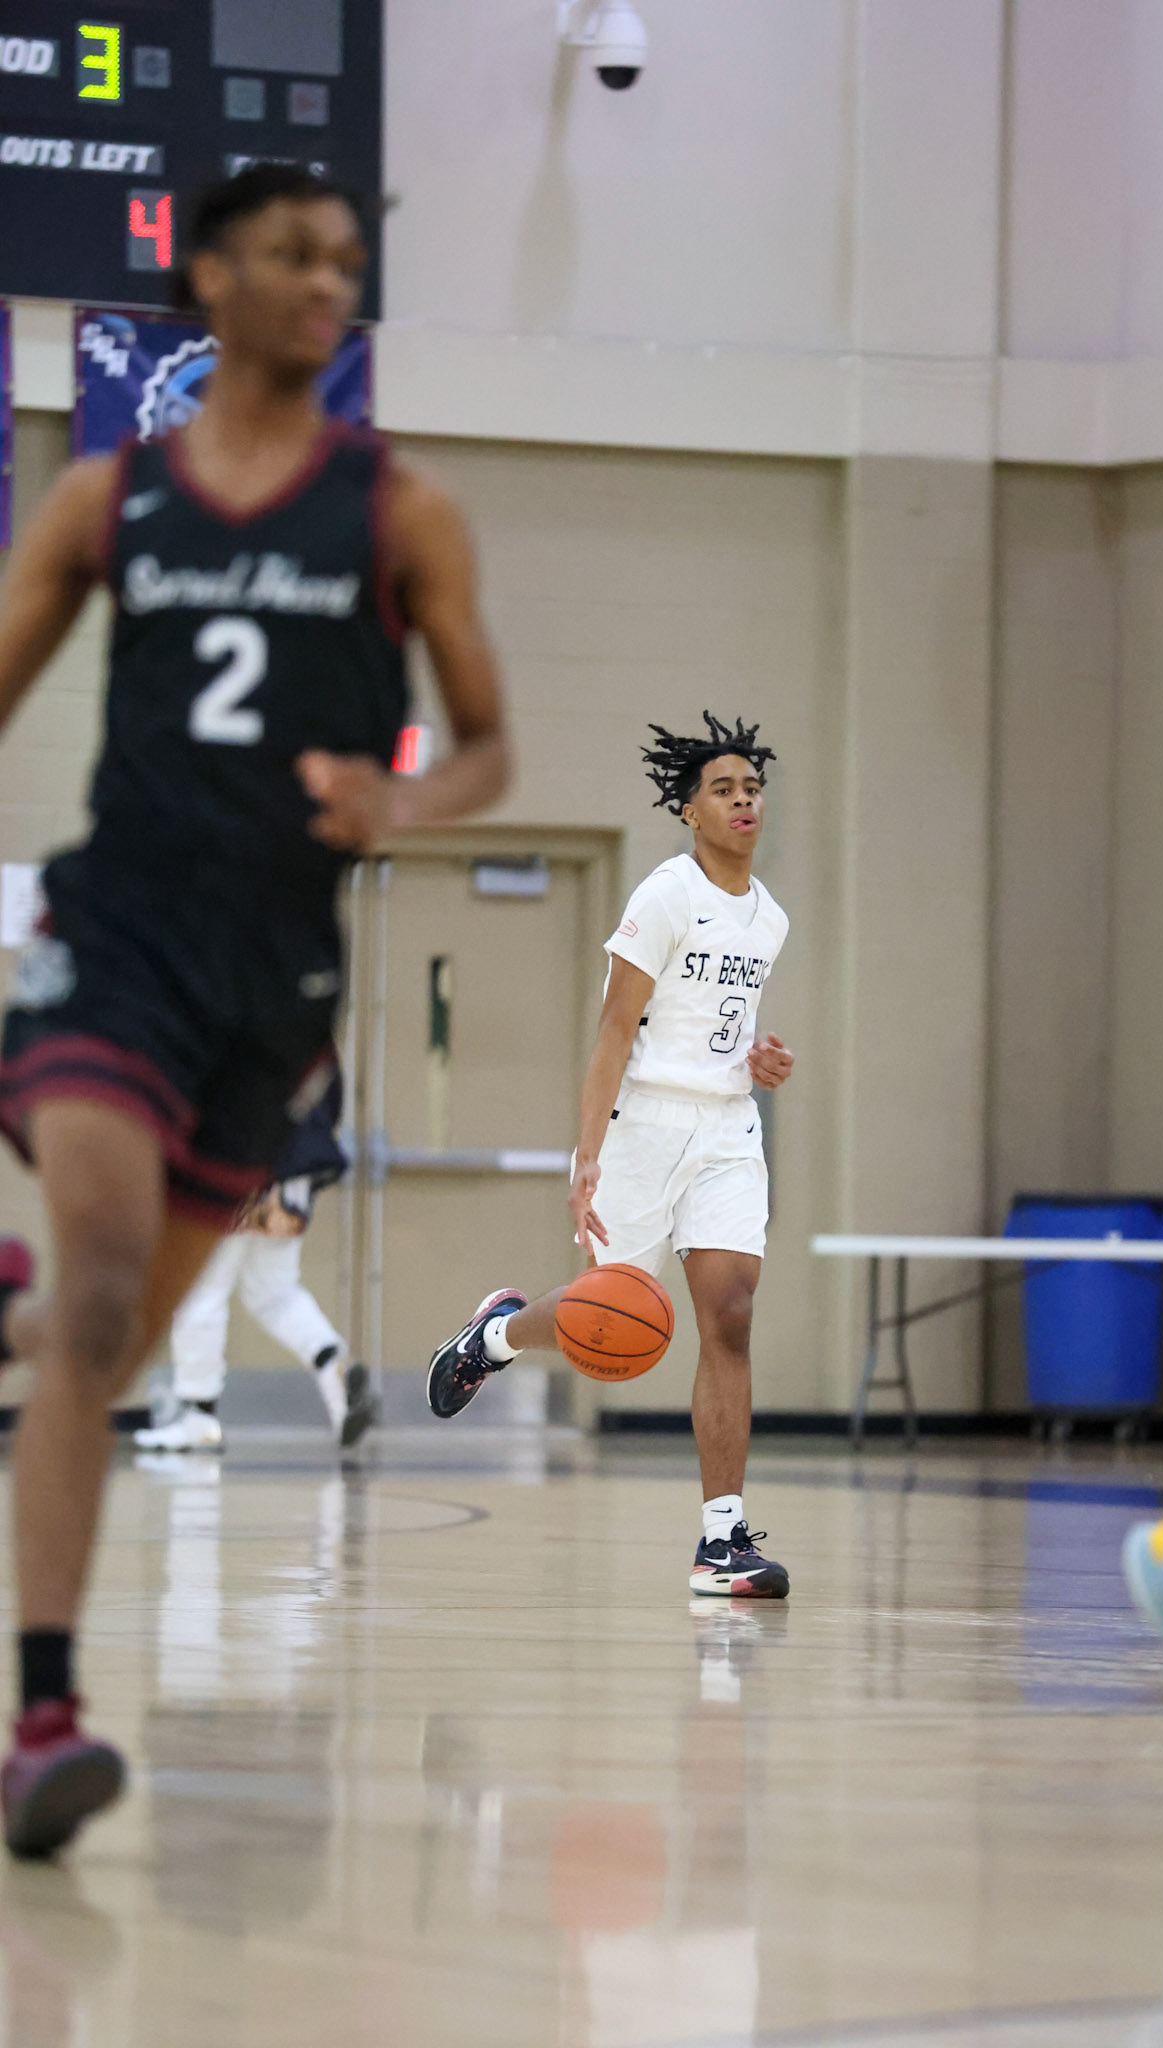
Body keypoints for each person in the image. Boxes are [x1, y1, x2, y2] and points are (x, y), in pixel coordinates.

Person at [0, 162, 510, 1854]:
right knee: (100, 1295)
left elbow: (490, 747)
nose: (324, 284)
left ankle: (17, 1325)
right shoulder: (107, 499)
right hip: (116, 937)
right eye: (292, 254)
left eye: (346, 261)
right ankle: (46, 1719)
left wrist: (403, 800)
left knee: (101, 1343)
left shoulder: (403, 512)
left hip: (274, 979)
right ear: (208, 275)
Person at [426, 714, 794, 1598]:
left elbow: (716, 1030)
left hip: (726, 1129)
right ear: (689, 810)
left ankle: (720, 1541)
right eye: (723, 789)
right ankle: (495, 1336)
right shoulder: (664, 897)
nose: (743, 801)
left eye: (751, 788)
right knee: (612, 1308)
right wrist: (587, 1154)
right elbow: (615, 1031)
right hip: (641, 1127)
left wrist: (757, 1062)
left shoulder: (770, 918)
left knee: (729, 1313)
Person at [134, 1064, 376, 1452]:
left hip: (242, 1164)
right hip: (296, 1168)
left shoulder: (234, 1028)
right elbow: (329, 1095)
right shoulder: (308, 1031)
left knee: (201, 1290)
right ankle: (335, 1370)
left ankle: (199, 1417)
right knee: (275, 1292)